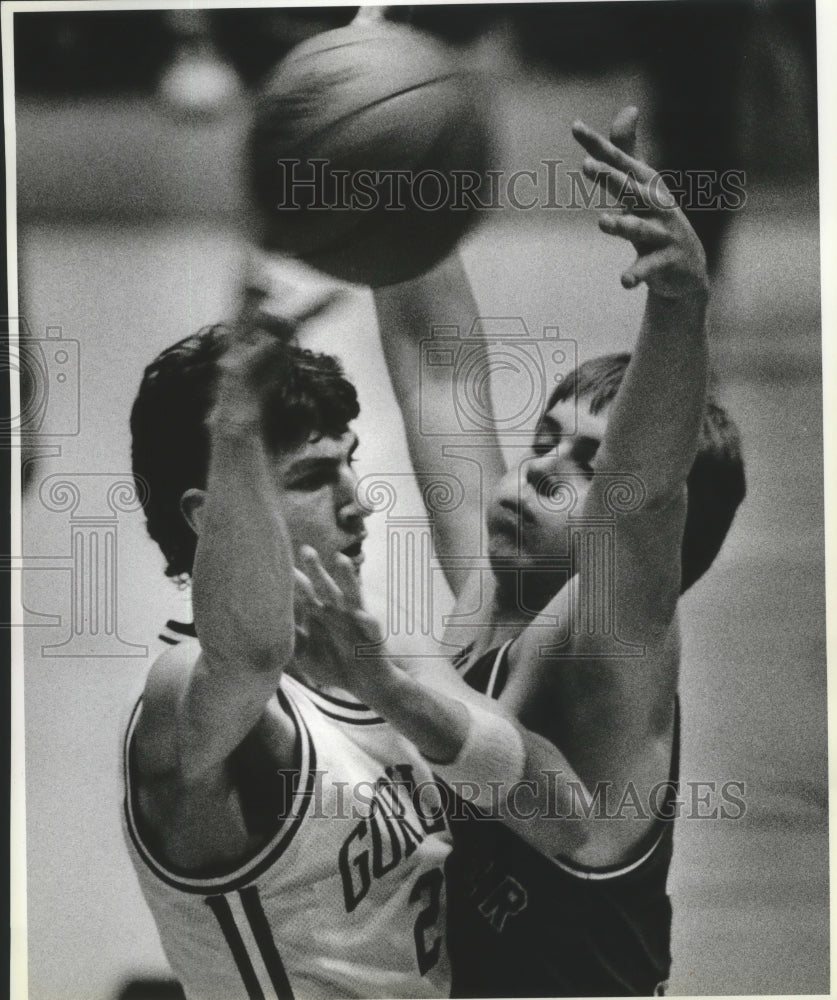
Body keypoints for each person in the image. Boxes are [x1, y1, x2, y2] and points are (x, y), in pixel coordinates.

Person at [319, 108, 745, 995]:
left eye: (589, 463)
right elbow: (438, 364)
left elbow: (638, 506)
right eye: (545, 438)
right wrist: (393, 151)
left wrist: (678, 303)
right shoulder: (494, 585)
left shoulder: (611, 658)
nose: (543, 469)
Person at [123, 293, 602, 999]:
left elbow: (565, 820)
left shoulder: (382, 646)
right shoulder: (182, 690)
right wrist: (233, 428)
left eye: (349, 463)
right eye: (314, 477)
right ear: (208, 516)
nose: (358, 499)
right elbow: (252, 652)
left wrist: (391, 689)